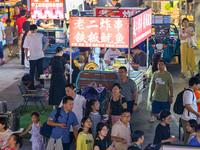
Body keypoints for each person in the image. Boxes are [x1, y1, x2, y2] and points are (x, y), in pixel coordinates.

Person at [23, 24, 49, 88]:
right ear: (36, 29)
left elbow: (26, 48)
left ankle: (31, 85)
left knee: (32, 71)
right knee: (40, 70)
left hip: (32, 57)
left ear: (30, 30)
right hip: (40, 56)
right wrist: (44, 49)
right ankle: (42, 83)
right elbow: (47, 41)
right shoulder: (40, 35)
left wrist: (26, 56)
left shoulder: (28, 37)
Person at [181, 76, 200, 145]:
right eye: (198, 84)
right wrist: (197, 113)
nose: (199, 86)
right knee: (188, 138)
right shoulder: (188, 92)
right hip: (187, 119)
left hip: (190, 118)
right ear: (195, 84)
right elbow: (187, 105)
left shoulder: (191, 92)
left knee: (190, 136)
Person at [147, 53, 161, 123]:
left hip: (152, 86)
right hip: (161, 86)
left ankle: (152, 117)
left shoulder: (151, 67)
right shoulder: (162, 67)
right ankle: (159, 114)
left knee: (151, 101)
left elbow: (148, 76)